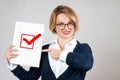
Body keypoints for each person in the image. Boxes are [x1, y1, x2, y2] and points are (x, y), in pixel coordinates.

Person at [6, 5, 94, 80]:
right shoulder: (45, 50)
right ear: (54, 26)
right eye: (60, 24)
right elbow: (30, 77)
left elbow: (87, 64)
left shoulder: (82, 48)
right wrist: (12, 62)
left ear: (75, 25)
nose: (66, 27)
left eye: (70, 23)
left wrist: (60, 54)